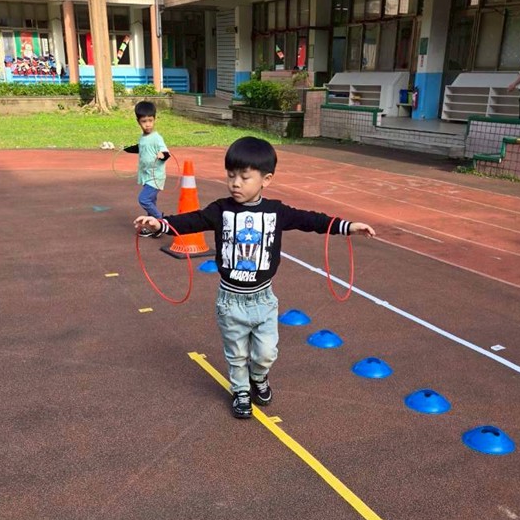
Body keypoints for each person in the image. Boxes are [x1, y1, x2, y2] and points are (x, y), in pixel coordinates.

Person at [134, 136, 375, 419]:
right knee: (236, 354)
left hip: (263, 300)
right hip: (230, 301)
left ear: (266, 179)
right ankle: (241, 391)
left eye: (244, 177)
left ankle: (258, 377)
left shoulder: (276, 212)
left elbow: (311, 220)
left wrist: (347, 226)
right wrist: (160, 223)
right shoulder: (220, 210)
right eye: (231, 175)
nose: (235, 183)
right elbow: (192, 220)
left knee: (266, 353)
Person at [124, 100, 170, 219]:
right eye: (144, 121)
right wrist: (126, 149)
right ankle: (153, 223)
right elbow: (140, 148)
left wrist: (163, 155)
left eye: (150, 120)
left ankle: (160, 220)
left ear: (155, 119)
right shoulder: (142, 137)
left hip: (155, 177)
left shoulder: (156, 138)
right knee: (151, 201)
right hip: (146, 176)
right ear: (138, 121)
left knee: (144, 199)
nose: (148, 124)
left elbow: (166, 152)